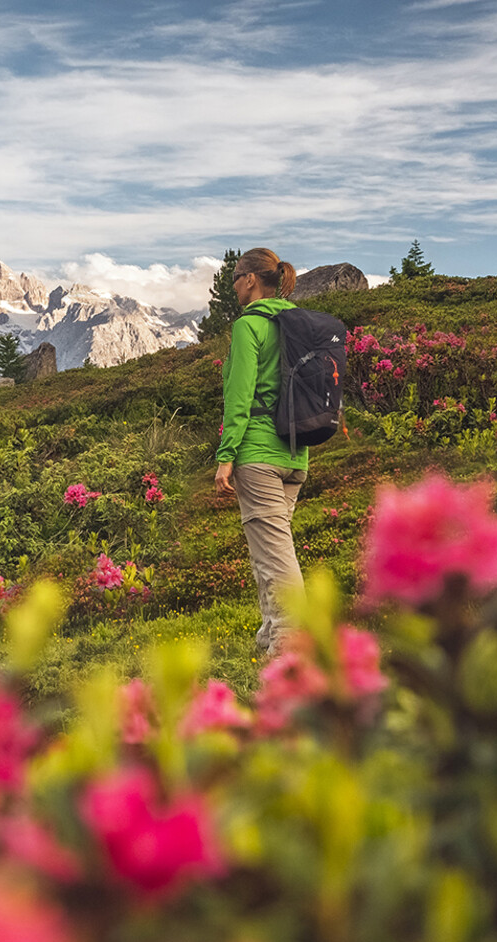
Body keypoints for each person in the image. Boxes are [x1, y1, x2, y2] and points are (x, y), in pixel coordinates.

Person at [213, 248, 306, 656]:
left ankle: (290, 647)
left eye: (235, 277)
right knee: (269, 552)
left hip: (258, 454)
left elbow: (240, 394)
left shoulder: (250, 325)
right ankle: (270, 635)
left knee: (276, 558)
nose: (232, 285)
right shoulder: (294, 322)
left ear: (252, 279)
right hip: (296, 453)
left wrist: (226, 455)